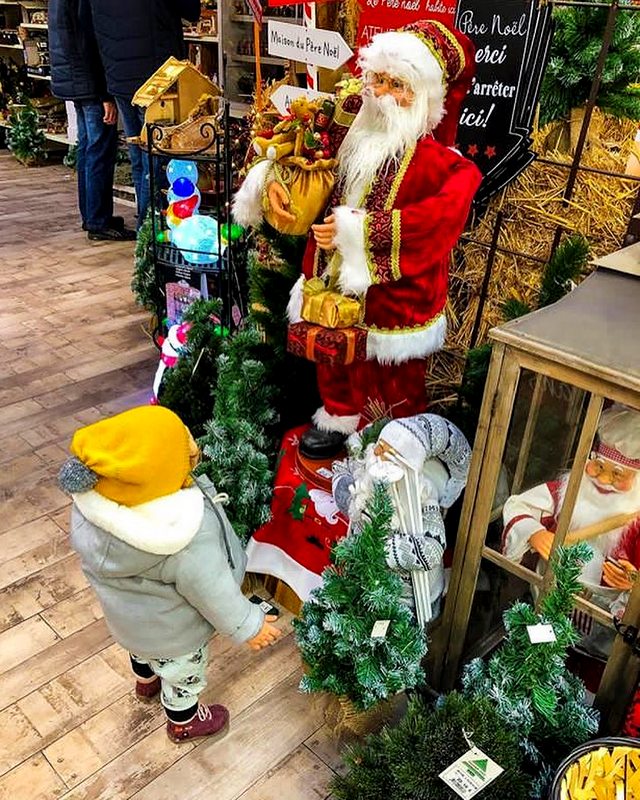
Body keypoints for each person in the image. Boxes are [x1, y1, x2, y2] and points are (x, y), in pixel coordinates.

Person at [233, 20, 482, 459]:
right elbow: (292, 152)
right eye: (377, 80)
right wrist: (271, 181)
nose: (381, 93)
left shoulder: (440, 163)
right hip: (329, 281)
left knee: (393, 373)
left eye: (397, 85)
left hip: (395, 292)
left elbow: (440, 219)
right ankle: (339, 415)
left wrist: (357, 233)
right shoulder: (347, 131)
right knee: (333, 358)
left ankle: (391, 436)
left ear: (423, 97)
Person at [57, 405, 281, 742]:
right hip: (175, 633)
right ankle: (184, 721)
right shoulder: (182, 536)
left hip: (130, 621)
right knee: (182, 673)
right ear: (156, 472)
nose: (194, 448)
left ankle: (146, 681)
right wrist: (249, 625)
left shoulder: (95, 508)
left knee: (141, 651)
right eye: (183, 448)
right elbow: (213, 591)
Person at [502, 404, 640, 655]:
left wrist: (633, 584)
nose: (603, 480)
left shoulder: (635, 523)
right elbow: (519, 506)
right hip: (547, 602)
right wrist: (534, 532)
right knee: (535, 656)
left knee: (588, 668)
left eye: (617, 475)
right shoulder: (566, 492)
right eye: (599, 467)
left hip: (601, 631)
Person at [87, 0, 201, 225]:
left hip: (119, 75)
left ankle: (145, 224)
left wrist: (104, 90)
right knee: (156, 160)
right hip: (156, 78)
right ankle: (149, 231)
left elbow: (94, 30)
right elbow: (191, 11)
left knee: (140, 157)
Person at [49, 0, 135, 241]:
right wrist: (104, 95)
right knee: (99, 151)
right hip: (89, 82)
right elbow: (89, 40)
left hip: (74, 78)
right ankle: (98, 220)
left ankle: (92, 215)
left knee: (88, 149)